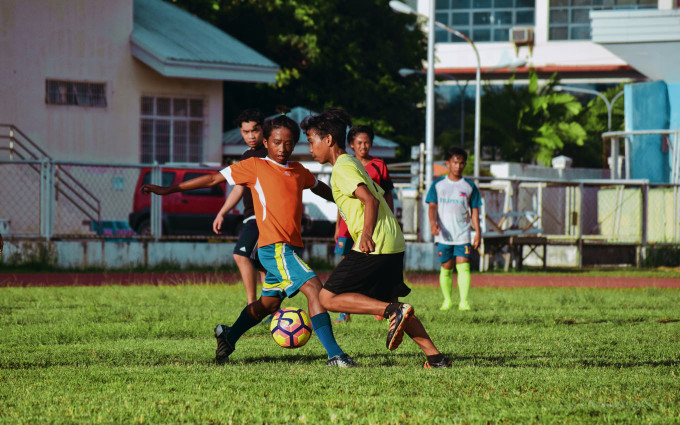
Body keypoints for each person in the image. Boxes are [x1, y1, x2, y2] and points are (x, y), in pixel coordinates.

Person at [142, 114, 356, 367]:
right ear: (266, 142)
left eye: (288, 143)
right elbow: (212, 179)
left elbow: (317, 186)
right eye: (276, 142)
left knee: (268, 304)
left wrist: (343, 198)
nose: (282, 148)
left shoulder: (298, 170)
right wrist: (169, 190)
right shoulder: (255, 166)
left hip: (291, 249)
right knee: (314, 289)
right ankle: (335, 355)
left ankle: (229, 335)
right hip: (274, 248)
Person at [302, 108, 451, 369]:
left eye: (311, 141)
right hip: (393, 241)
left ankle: (391, 312)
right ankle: (435, 358)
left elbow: (369, 200)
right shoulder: (352, 163)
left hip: (375, 243)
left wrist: (367, 235)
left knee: (327, 298)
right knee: (397, 306)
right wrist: (315, 186)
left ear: (328, 140)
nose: (310, 148)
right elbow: (356, 195)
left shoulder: (341, 169)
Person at [333, 125, 394, 324]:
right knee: (345, 265)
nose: (363, 146)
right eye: (359, 142)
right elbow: (340, 200)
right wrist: (337, 227)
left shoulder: (378, 165)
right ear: (351, 144)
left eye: (367, 142)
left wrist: (391, 219)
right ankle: (345, 311)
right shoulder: (346, 165)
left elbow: (386, 195)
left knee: (373, 263)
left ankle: (378, 304)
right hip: (347, 225)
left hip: (370, 224)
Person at [213, 109, 267, 305]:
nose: (251, 136)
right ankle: (267, 308)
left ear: (263, 129)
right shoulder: (246, 156)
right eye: (245, 132)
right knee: (262, 264)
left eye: (255, 130)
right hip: (250, 217)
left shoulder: (271, 154)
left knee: (241, 254)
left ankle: (252, 306)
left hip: (262, 217)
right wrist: (222, 213)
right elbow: (238, 189)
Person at [426, 147, 481, 311]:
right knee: (446, 267)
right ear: (448, 163)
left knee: (464, 266)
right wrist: (432, 223)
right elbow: (432, 207)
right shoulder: (438, 185)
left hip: (463, 234)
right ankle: (447, 301)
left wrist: (477, 232)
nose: (458, 166)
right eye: (455, 162)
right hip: (444, 235)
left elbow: (475, 211)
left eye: (462, 163)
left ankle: (464, 302)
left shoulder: (470, 186)